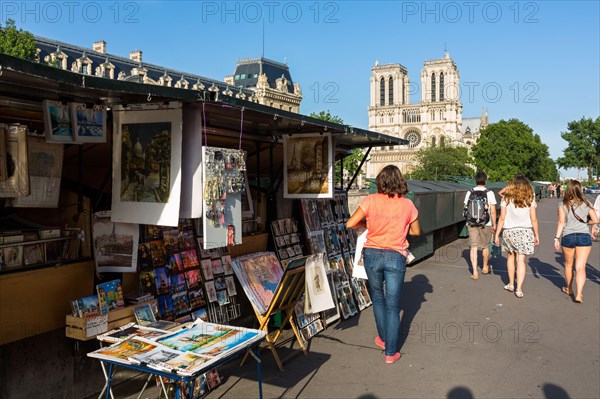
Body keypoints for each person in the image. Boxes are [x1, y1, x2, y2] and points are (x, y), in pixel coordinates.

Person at [346, 165, 420, 364]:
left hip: (372, 255)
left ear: (380, 181)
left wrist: (370, 224)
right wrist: (400, 229)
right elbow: (416, 231)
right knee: (393, 305)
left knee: (378, 299)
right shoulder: (407, 205)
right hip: (395, 256)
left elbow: (350, 223)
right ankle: (390, 352)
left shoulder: (369, 200)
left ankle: (383, 338)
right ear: (400, 182)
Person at [494, 175, 539, 299]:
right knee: (521, 260)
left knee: (510, 257)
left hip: (509, 231)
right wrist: (536, 234)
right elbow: (533, 219)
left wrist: (497, 234)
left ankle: (510, 284)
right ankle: (519, 289)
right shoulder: (530, 198)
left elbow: (502, 218)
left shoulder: (506, 198)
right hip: (525, 231)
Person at [553, 180, 598, 303]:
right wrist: (585, 222)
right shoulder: (586, 203)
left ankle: (569, 288)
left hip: (568, 236)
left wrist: (556, 238)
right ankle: (579, 294)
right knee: (581, 267)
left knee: (568, 265)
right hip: (584, 235)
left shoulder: (563, 204)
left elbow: (561, 222)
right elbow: (596, 220)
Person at [464, 171, 497, 279]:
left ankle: (474, 272)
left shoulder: (470, 192)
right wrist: (494, 224)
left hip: (471, 222)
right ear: (485, 180)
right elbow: (492, 210)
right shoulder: (489, 193)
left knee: (473, 247)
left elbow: (465, 207)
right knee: (485, 246)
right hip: (486, 223)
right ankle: (484, 267)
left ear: (476, 180)